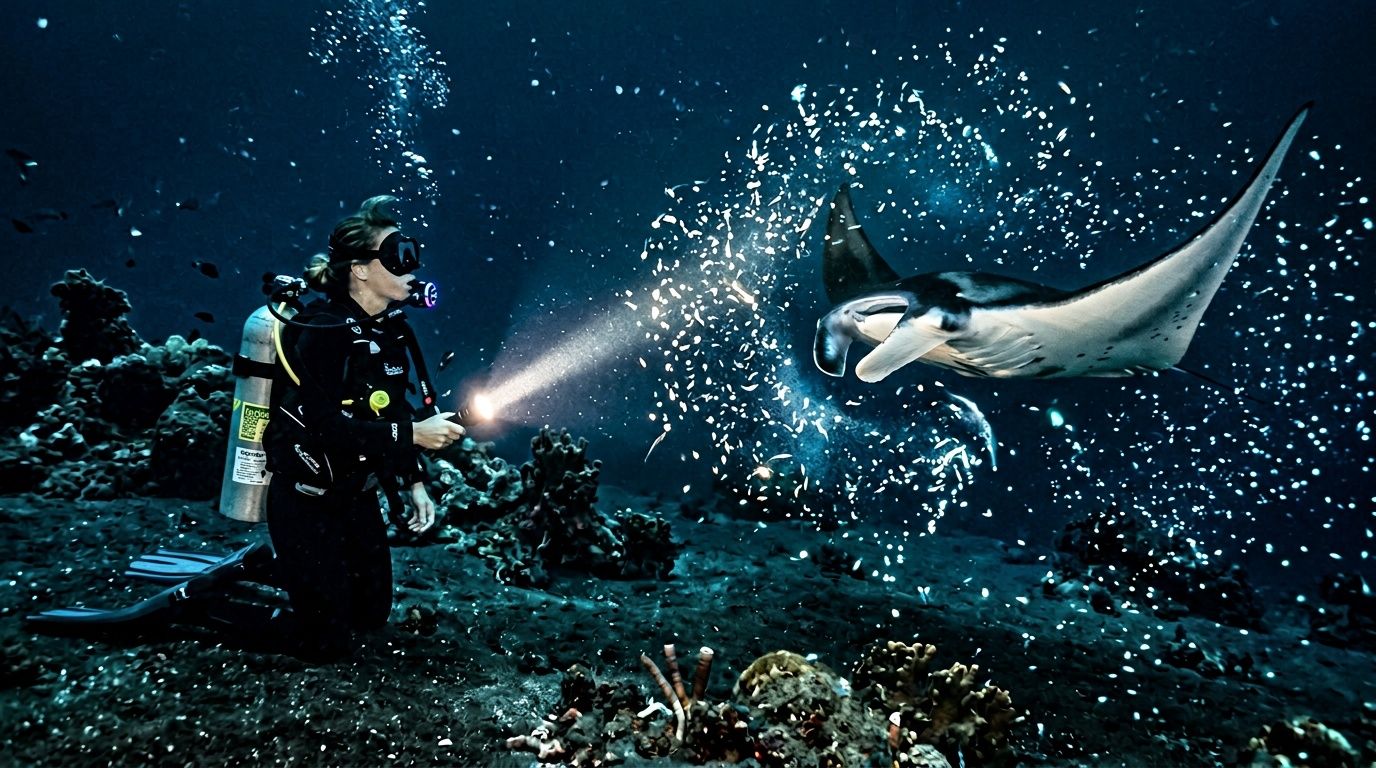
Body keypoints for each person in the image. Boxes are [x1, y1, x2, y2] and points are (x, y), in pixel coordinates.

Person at [261, 195, 465, 661]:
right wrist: (414, 435)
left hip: (355, 495)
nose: (411, 267)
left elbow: (391, 411)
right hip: (306, 498)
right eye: (396, 255)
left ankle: (287, 574)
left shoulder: (391, 331)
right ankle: (198, 607)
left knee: (370, 615)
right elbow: (326, 427)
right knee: (325, 644)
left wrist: (414, 481)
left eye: (410, 253)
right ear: (359, 269)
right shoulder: (322, 331)